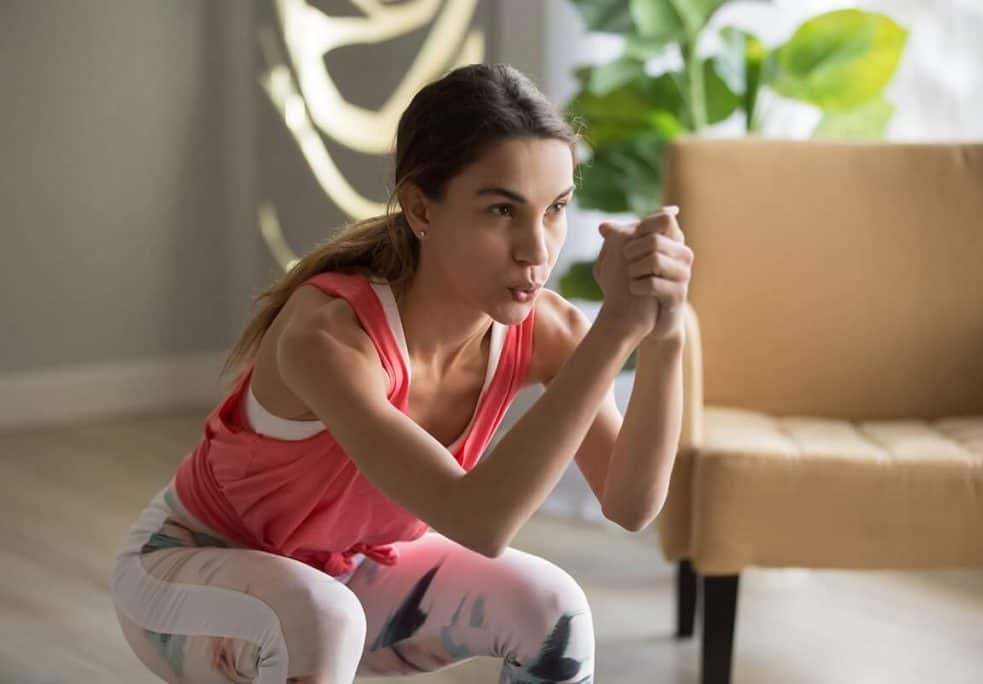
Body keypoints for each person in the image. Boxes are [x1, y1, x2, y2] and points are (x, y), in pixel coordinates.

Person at [109, 62, 693, 684]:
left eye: (555, 208)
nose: (538, 249)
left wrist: (667, 332)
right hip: (188, 571)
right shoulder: (330, 334)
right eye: (502, 210)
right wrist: (614, 333)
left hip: (346, 572)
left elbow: (631, 505)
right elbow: (480, 522)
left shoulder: (545, 331)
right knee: (319, 619)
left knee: (554, 611)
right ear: (421, 207)